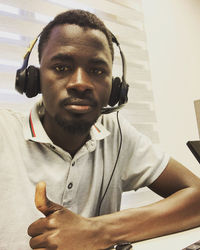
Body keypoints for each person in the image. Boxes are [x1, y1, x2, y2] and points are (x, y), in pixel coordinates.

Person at [1, 9, 200, 250]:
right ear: (33, 78)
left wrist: (98, 231)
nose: (81, 83)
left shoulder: (115, 133)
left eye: (97, 71)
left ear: (115, 89)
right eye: (62, 67)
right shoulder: (5, 131)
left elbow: (197, 196)